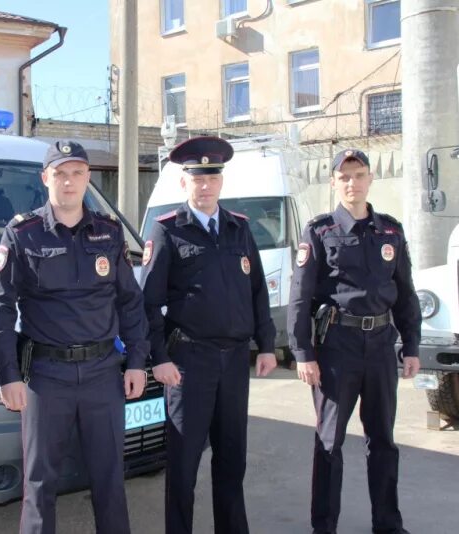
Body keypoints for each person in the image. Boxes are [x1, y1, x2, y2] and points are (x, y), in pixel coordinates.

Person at [0, 140, 149, 534]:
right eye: (60, 173)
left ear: (88, 178)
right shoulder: (23, 233)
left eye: (77, 173)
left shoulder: (108, 233)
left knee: (110, 478)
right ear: (46, 179)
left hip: (102, 374)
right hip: (46, 376)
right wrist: (7, 374)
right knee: (39, 483)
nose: (69, 182)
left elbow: (130, 303)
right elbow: (0, 307)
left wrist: (139, 362)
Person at [140, 136, 278, 534]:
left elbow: (257, 293)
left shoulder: (239, 229)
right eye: (197, 178)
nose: (205, 186)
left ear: (221, 182)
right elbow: (147, 303)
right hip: (188, 363)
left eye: (212, 178)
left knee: (232, 460)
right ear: (184, 183)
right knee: (183, 465)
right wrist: (159, 358)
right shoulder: (167, 231)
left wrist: (266, 346)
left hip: (234, 361)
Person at [287, 148, 421, 534]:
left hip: (380, 345)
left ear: (370, 178)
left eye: (359, 175)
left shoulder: (390, 231)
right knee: (330, 442)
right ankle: (324, 526)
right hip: (336, 347)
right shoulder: (320, 230)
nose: (352, 183)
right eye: (344, 177)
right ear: (333, 182)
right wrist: (303, 353)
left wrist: (411, 345)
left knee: (383, 441)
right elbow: (300, 295)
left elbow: (406, 292)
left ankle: (388, 524)